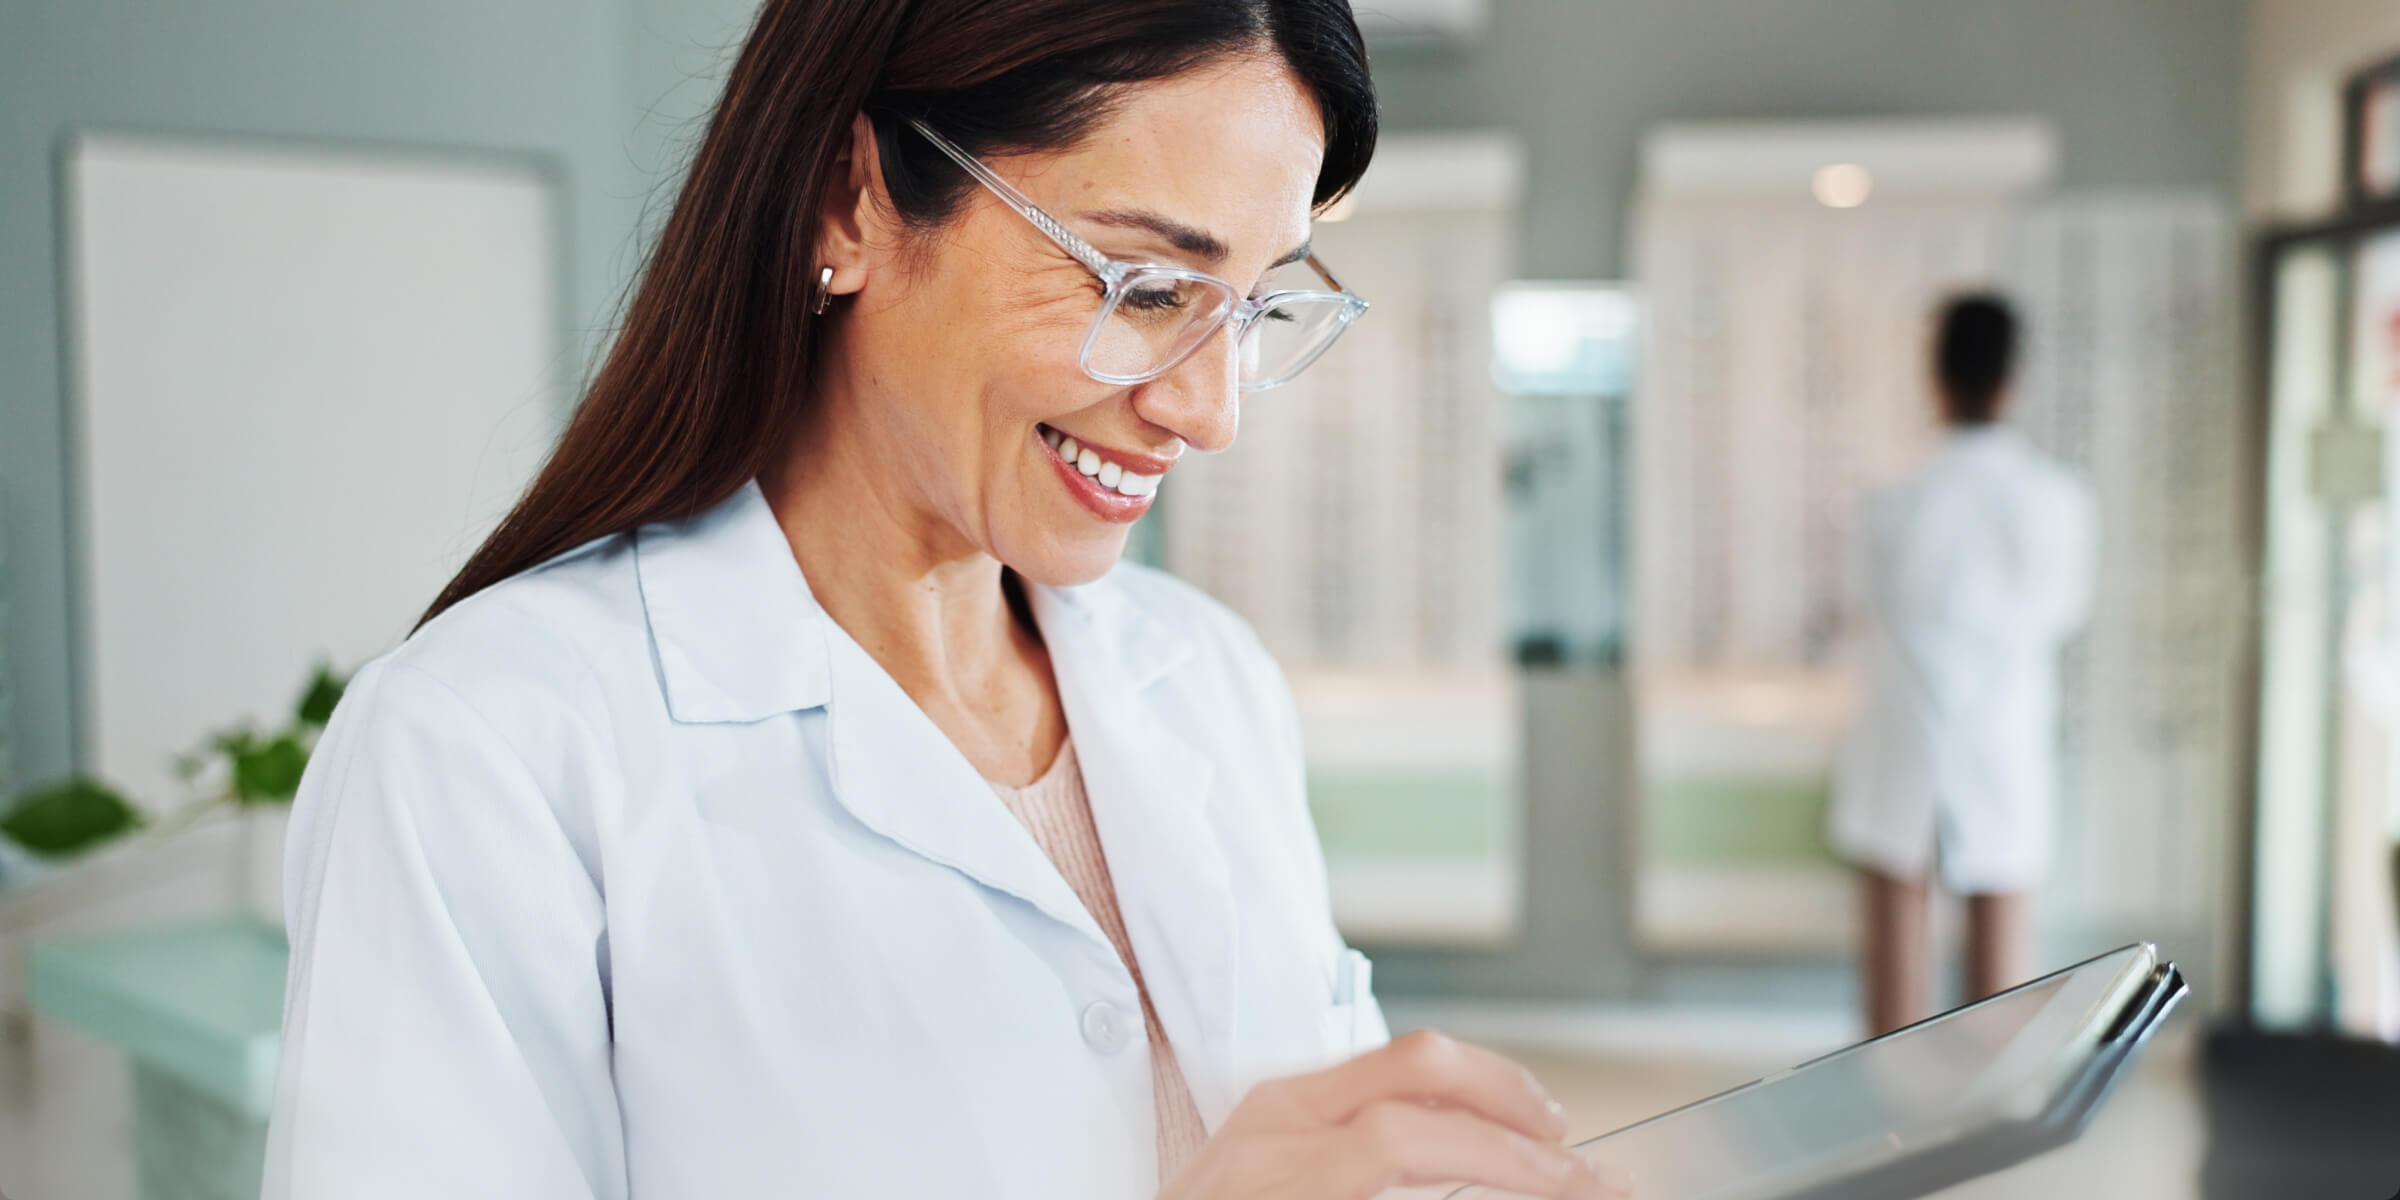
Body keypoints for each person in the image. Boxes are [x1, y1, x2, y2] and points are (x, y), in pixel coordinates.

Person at [261, 2, 1622, 1198]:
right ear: (845, 203)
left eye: (1255, 309)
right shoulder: (491, 749)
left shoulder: (1202, 677)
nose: (1208, 415)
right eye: (1147, 286)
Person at [1829, 293, 2096, 1037]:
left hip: (1903, 741)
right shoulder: (2056, 501)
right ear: (2014, 380)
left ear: (1934, 379)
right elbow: (2062, 613)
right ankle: (1991, 1126)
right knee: (2001, 987)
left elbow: (1866, 611)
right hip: (2001, 744)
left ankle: (1887, 1127)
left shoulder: (1892, 502)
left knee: (1891, 993)